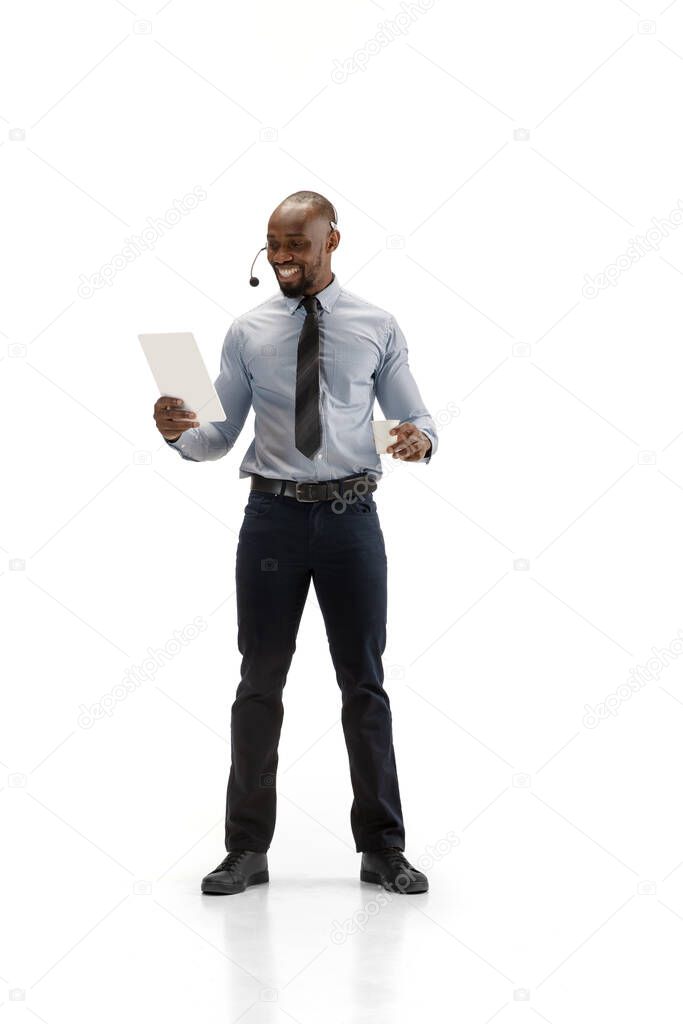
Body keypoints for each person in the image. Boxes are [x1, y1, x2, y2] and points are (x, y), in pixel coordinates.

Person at [153, 190, 438, 896]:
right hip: (272, 522)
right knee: (259, 684)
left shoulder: (376, 325)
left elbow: (416, 414)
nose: (282, 258)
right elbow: (215, 436)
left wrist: (418, 438)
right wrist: (175, 431)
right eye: (272, 246)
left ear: (330, 242)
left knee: (363, 686)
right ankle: (245, 850)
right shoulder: (247, 332)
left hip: (350, 520)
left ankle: (382, 849)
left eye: (296, 246)